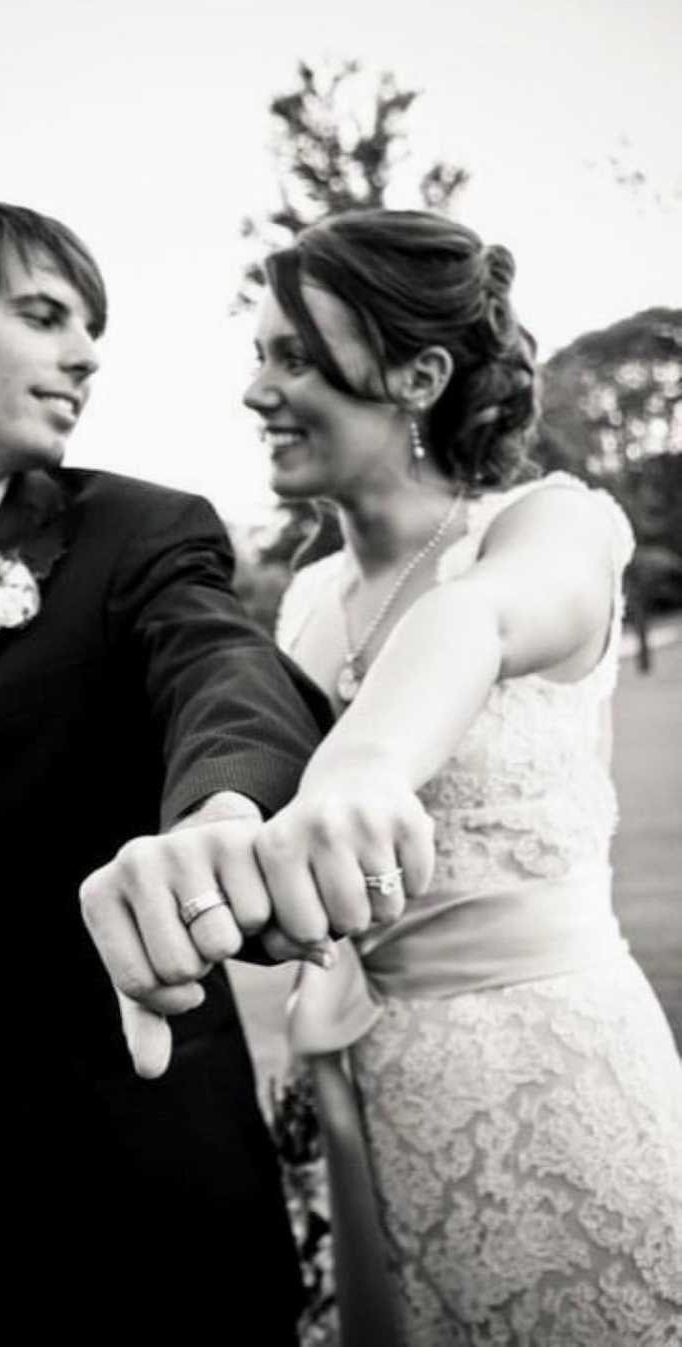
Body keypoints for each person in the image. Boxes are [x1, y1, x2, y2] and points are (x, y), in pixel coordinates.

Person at [84, 209, 682, 1344]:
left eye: (295, 357)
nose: (258, 392)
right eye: (257, 355)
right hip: (355, 1080)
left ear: (420, 372)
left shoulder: (549, 528)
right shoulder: (304, 602)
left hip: (550, 1081)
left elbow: (477, 618)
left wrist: (358, 765)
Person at [0, 201, 342, 1347]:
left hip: (143, 1186)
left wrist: (226, 805)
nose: (85, 353)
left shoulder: (140, 534)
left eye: (92, 327)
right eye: (43, 316)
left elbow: (223, 670)